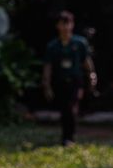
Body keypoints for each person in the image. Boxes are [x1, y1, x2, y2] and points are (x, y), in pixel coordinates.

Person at [42, 10, 97, 146]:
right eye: (63, 24)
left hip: (76, 81)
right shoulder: (53, 46)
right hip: (60, 81)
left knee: (72, 107)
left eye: (68, 24)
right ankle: (66, 136)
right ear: (58, 26)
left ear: (72, 25)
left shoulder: (79, 43)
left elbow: (87, 62)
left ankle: (69, 137)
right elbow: (48, 67)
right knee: (64, 109)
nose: (66, 27)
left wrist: (92, 77)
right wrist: (46, 85)